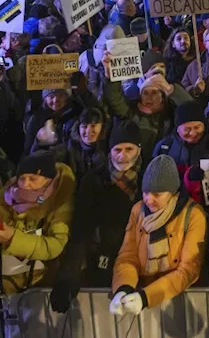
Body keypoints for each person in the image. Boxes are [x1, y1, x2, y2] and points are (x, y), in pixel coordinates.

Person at [49, 121, 147, 313]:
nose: (122, 155)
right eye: (117, 149)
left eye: (129, 149)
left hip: (141, 262)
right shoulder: (93, 180)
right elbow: (80, 228)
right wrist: (68, 277)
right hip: (103, 259)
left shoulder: (148, 179)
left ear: (139, 149)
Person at [106, 156, 208, 317]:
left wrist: (147, 297)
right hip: (139, 301)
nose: (149, 200)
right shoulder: (137, 210)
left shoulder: (193, 214)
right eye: (145, 192)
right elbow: (127, 256)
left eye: (157, 194)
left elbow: (189, 270)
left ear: (172, 192)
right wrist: (123, 288)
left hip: (179, 302)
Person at [0, 152, 76, 293]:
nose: (25, 185)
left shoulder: (60, 202)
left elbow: (56, 246)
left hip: (44, 289)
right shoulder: (6, 200)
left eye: (33, 179)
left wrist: (12, 238)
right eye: (22, 178)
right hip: (10, 288)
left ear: (48, 179)